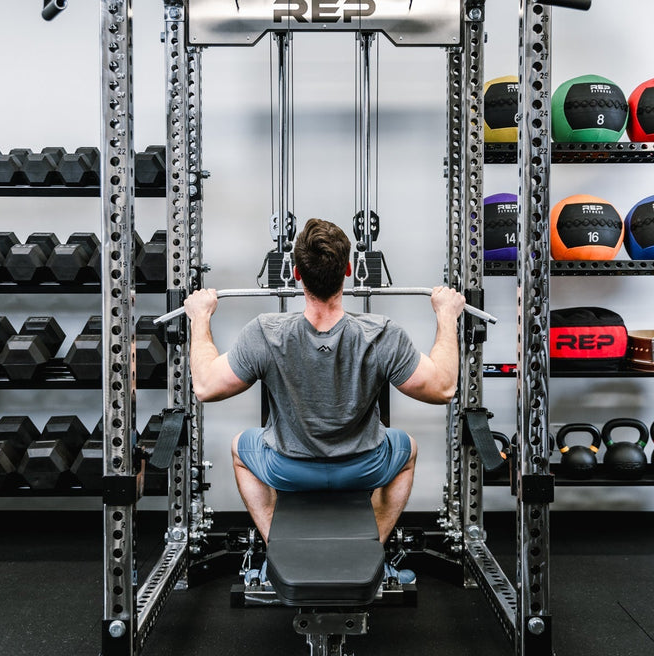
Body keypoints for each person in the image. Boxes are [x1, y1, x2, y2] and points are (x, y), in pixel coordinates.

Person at [183, 218, 466, 583]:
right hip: (363, 466)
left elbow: (205, 385)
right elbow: (444, 388)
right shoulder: (382, 334)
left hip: (289, 468)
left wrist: (199, 318)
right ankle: (369, 550)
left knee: (241, 449)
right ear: (348, 270)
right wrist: (446, 315)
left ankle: (281, 554)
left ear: (297, 274)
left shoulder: (266, 333)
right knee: (406, 450)